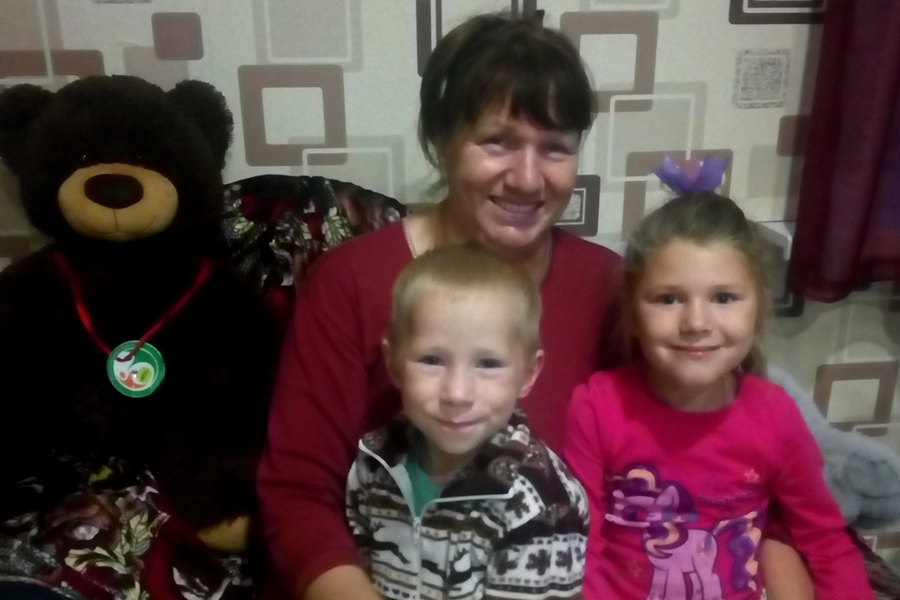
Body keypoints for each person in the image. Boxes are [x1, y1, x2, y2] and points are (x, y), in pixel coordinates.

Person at [256, 11, 814, 600]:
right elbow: (297, 494)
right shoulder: (352, 281)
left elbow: (740, 455)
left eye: (555, 148)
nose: (527, 178)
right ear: (443, 143)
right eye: (498, 141)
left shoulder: (614, 286)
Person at [564, 192, 872, 599]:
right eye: (669, 299)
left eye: (724, 298)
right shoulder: (596, 406)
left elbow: (826, 543)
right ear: (633, 312)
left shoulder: (775, 415)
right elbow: (579, 549)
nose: (696, 323)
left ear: (758, 309)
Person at [346, 244, 589, 600]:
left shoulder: (538, 503)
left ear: (527, 374)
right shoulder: (374, 464)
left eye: (488, 364)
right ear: (394, 363)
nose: (457, 393)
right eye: (432, 360)